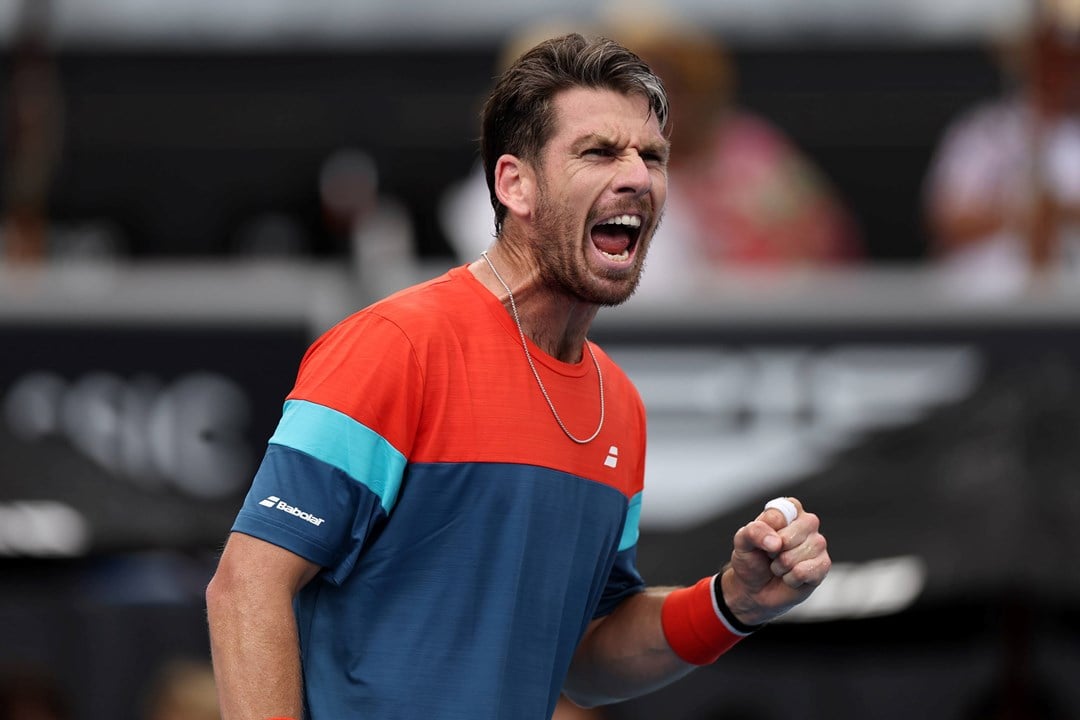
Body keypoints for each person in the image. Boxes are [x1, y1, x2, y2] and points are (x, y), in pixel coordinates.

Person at [205, 33, 830, 720]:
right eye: (598, 152)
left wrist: (730, 601)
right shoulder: (396, 345)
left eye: (651, 156)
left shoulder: (618, 404)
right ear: (515, 184)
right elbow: (247, 586)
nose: (636, 177)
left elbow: (581, 657)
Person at [440, 21, 861, 300]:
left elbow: (825, 245)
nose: (661, 95)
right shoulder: (493, 197)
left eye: (670, 81)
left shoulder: (752, 154)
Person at [922, 0, 1080, 297]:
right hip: (987, 305)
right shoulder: (982, 131)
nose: (1054, 69)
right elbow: (946, 219)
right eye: (1044, 55)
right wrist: (1020, 214)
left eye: (1063, 57)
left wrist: (1061, 213)